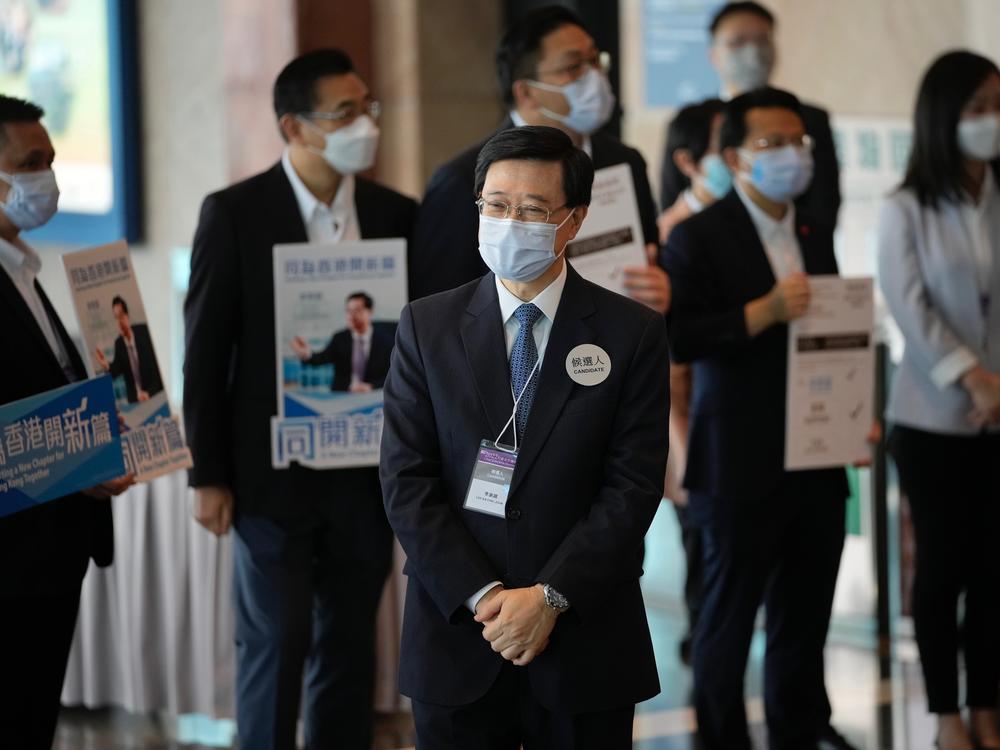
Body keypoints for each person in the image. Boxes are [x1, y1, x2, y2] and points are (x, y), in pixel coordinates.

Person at [380, 125, 670, 749]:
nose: (511, 222)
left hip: (585, 640)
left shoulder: (631, 334)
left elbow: (634, 485)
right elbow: (407, 482)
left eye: (534, 210)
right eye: (496, 205)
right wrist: (485, 596)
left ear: (574, 221)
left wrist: (550, 597)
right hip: (459, 634)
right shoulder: (426, 327)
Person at [183, 50, 417, 750]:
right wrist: (208, 474)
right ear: (294, 127)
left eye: (367, 107)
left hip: (366, 474)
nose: (364, 125)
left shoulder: (396, 215)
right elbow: (204, 350)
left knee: (349, 647)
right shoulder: (235, 213)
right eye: (343, 113)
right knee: (277, 641)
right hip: (268, 474)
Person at [661, 87, 856, 750]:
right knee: (726, 625)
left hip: (815, 455)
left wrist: (855, 411)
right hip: (736, 461)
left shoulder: (812, 227)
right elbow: (678, 337)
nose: (791, 157)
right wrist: (760, 312)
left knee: (803, 626)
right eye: (771, 144)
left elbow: (831, 331)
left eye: (798, 143)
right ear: (736, 157)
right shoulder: (697, 237)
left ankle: (796, 736)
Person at [0, 95, 132, 749]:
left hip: (51, 553)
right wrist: (76, 462)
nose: (46, 177)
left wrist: (115, 432)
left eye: (50, 160)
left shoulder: (24, 269)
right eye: (31, 162)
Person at [878, 50, 1000, 750]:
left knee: (993, 570)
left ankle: (987, 703)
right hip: (932, 419)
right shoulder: (908, 207)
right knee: (943, 569)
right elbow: (910, 307)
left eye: (997, 105)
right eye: (976, 107)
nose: (990, 121)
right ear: (943, 116)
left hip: (999, 414)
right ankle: (946, 711)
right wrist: (973, 380)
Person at [408, 4, 670, 315]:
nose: (594, 77)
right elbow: (438, 308)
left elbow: (652, 259)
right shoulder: (461, 179)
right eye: (573, 67)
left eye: (595, 62)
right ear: (527, 93)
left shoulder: (624, 160)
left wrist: (661, 290)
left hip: (612, 347)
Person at [656, 97, 730, 666]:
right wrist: (681, 455)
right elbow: (670, 366)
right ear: (687, 161)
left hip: (740, 430)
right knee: (705, 563)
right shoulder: (666, 238)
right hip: (691, 431)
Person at [660, 1, 840, 233]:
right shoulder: (692, 121)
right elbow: (669, 204)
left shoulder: (809, 119)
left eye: (762, 39)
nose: (753, 51)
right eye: (738, 42)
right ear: (713, 54)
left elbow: (824, 207)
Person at [291, 291, 396, 392]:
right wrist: (306, 353)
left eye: (357, 310)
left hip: (370, 398)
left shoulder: (385, 340)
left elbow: (392, 374)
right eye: (349, 311)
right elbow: (321, 358)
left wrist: (371, 387)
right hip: (342, 395)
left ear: (370, 312)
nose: (351, 315)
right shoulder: (340, 338)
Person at [94, 295, 164, 403]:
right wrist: (106, 365)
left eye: (121, 316)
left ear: (128, 316)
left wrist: (149, 393)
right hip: (134, 402)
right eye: (116, 318)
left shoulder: (145, 334)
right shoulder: (119, 343)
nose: (119, 322)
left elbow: (157, 370)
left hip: (155, 397)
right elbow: (116, 369)